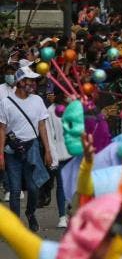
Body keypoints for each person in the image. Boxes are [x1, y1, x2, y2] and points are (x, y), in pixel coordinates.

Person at [0, 65, 52, 231]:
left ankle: (30, 213)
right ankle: (16, 226)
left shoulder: (37, 100)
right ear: (20, 82)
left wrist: (48, 151)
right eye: (29, 80)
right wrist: (0, 154)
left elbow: (42, 126)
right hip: (12, 151)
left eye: (34, 81)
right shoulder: (5, 103)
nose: (33, 84)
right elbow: (1, 128)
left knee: (33, 186)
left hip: (32, 148)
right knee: (15, 190)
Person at [41, 91, 71, 228]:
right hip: (61, 153)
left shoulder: (76, 107)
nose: (68, 95)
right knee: (61, 185)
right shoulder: (51, 111)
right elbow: (50, 135)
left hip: (77, 152)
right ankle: (62, 216)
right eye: (66, 93)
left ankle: (75, 214)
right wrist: (52, 156)